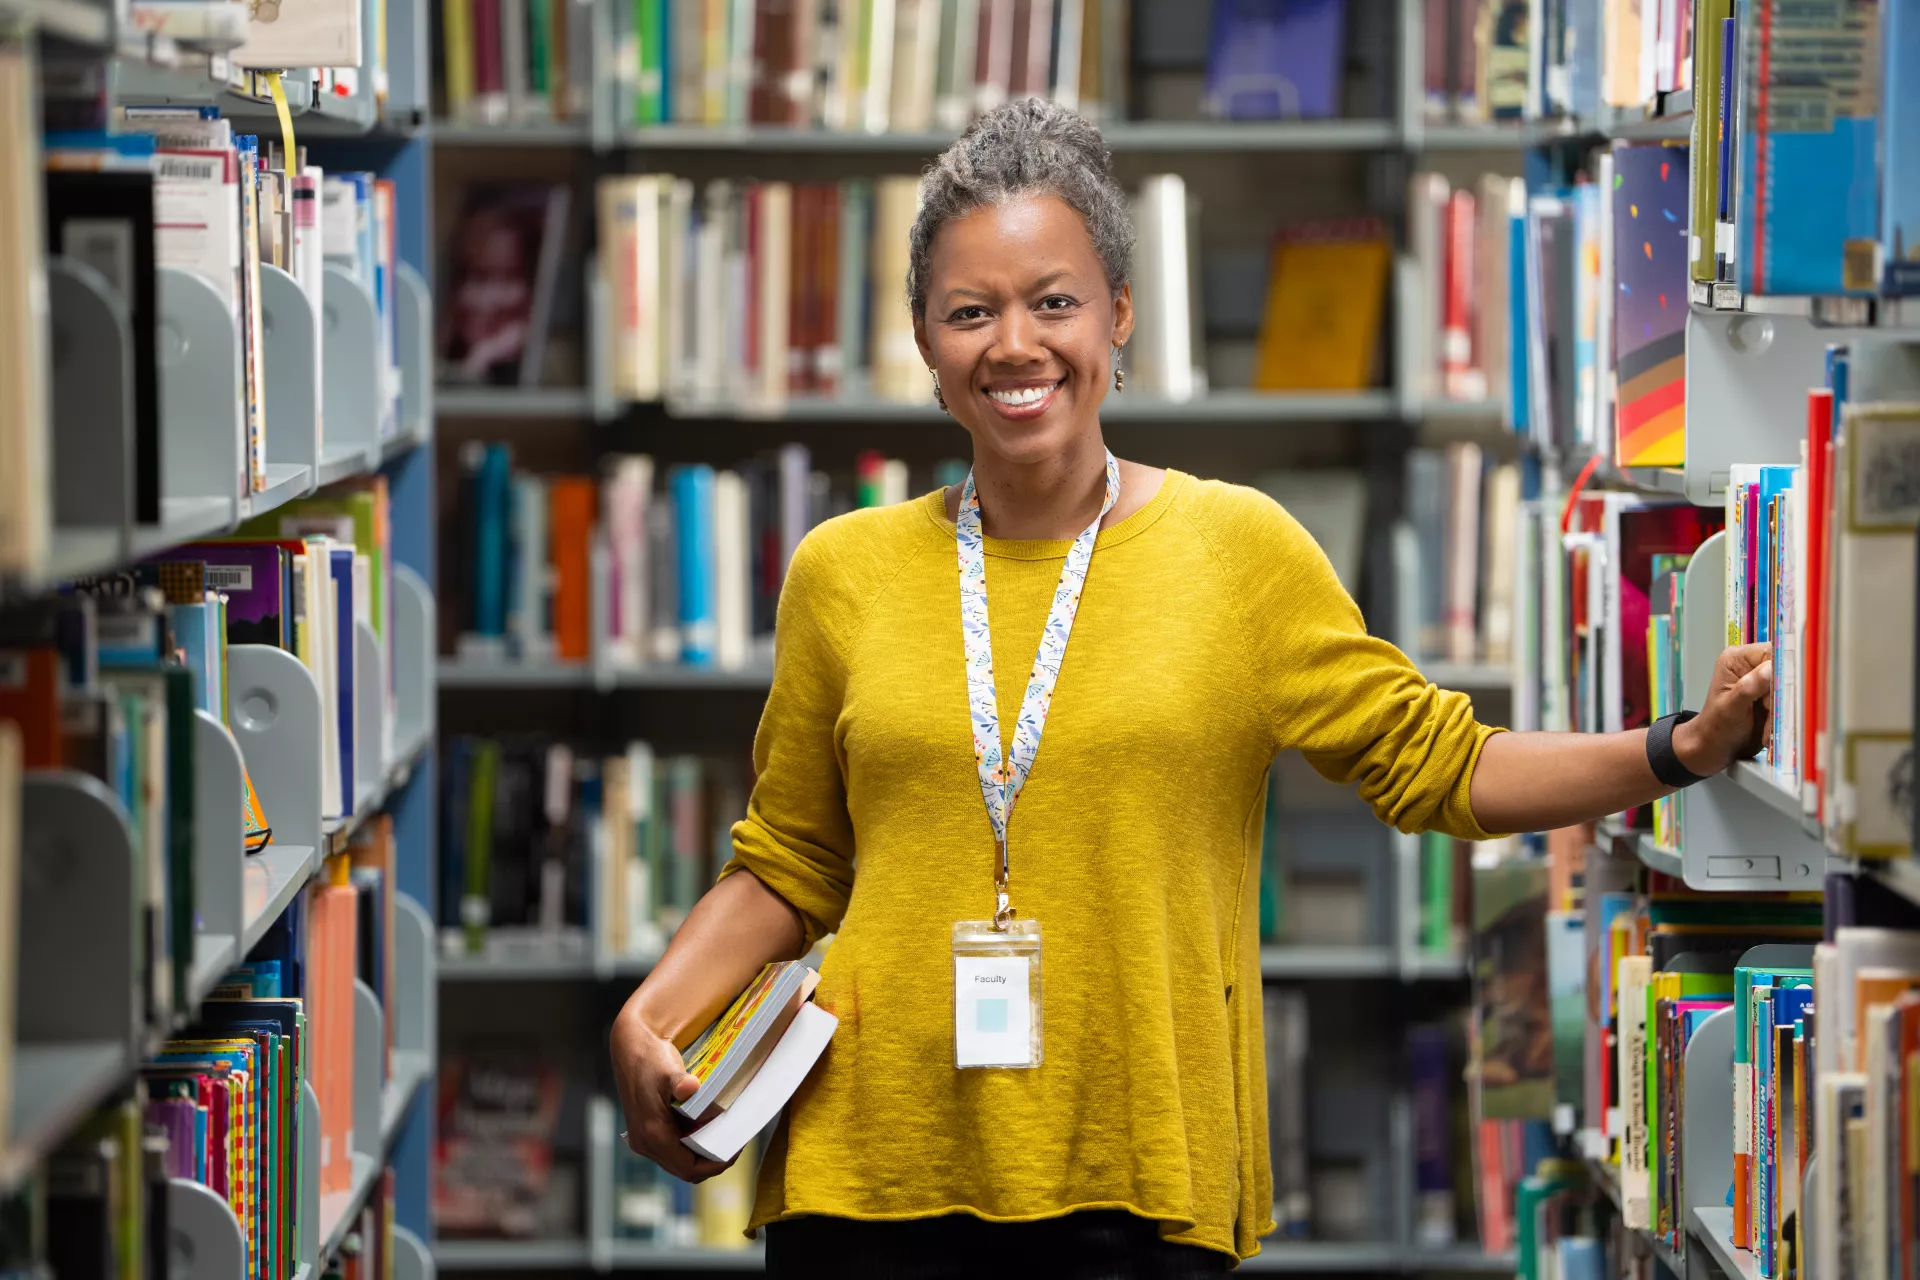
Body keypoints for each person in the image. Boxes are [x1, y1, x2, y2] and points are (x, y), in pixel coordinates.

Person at [609, 99, 1772, 1278]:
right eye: (971, 311)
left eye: (1053, 301)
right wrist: (647, 1014)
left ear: (1118, 313)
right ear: (925, 340)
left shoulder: (1238, 551)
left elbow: (1446, 766)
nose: (1015, 344)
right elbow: (792, 859)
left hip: (1137, 1174)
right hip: (867, 1181)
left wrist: (1677, 746)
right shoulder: (841, 571)